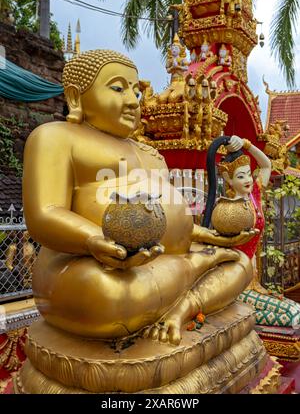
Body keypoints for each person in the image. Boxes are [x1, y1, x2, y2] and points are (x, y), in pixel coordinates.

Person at [23, 49, 255, 344]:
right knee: (107, 294)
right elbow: (45, 212)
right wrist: (96, 240)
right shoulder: (56, 137)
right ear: (75, 97)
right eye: (118, 88)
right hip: (88, 263)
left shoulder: (150, 153)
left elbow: (164, 218)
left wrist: (209, 236)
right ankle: (197, 268)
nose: (133, 101)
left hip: (157, 261)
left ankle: (184, 307)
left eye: (136, 92)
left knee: (240, 264)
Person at [218, 136, 300, 328]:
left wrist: (247, 144)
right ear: (228, 179)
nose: (247, 180)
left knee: (295, 310)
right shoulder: (227, 209)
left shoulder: (253, 193)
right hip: (238, 281)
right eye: (240, 176)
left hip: (253, 279)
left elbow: (265, 165)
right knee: (291, 314)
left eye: (248, 174)